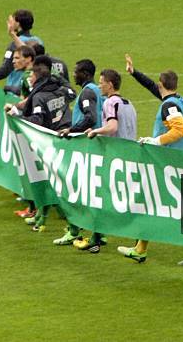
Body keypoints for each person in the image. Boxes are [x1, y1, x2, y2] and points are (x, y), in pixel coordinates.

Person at [116, 54, 183, 266]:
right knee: (180, 206)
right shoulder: (177, 99)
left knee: (150, 202)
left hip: (167, 161)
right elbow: (156, 90)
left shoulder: (168, 106)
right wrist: (134, 73)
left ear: (161, 83)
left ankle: (140, 250)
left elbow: (180, 129)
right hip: (181, 159)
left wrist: (157, 141)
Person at [71, 68, 138, 253]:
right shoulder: (129, 103)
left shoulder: (110, 102)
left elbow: (112, 126)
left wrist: (95, 131)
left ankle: (95, 239)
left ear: (110, 84)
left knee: (98, 196)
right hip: (131, 156)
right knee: (129, 200)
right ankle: (137, 241)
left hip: (115, 157)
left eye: (101, 82)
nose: (99, 85)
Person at [8, 56, 76, 231]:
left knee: (50, 179)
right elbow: (72, 93)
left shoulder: (39, 96)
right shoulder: (61, 90)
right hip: (65, 137)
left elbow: (37, 120)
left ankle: (66, 220)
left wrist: (19, 117)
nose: (29, 77)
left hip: (49, 141)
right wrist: (58, 78)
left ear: (38, 77)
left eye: (32, 75)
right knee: (52, 178)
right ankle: (42, 218)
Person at [52, 59, 103, 245]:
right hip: (94, 147)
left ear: (85, 74)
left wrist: (71, 130)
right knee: (91, 192)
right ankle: (99, 234)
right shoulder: (96, 91)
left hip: (85, 149)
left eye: (76, 71)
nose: (73, 74)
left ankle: (74, 231)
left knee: (72, 190)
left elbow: (91, 117)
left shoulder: (88, 92)